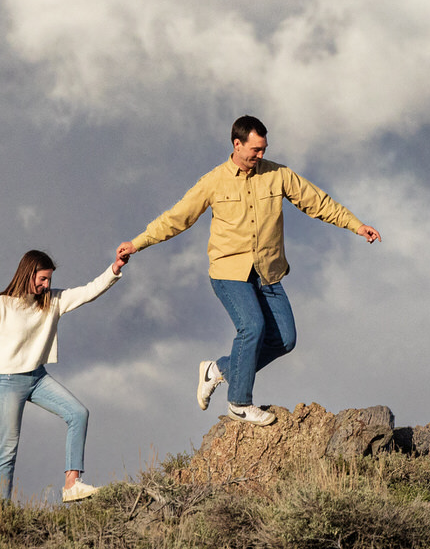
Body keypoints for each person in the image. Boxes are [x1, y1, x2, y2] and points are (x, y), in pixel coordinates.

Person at [115, 114, 379, 426]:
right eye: (255, 149)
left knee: (285, 339)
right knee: (252, 327)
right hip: (229, 272)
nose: (260, 154)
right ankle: (239, 403)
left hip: (267, 271)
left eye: (264, 148)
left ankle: (218, 369)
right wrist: (137, 243)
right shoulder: (214, 181)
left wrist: (356, 225)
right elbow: (177, 218)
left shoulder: (278, 174)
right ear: (237, 145)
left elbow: (318, 202)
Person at [0, 247, 123, 501]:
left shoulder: (52, 301)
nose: (46, 285)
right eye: (42, 278)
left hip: (38, 378)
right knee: (8, 450)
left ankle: (72, 484)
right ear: (27, 273)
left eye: (49, 280)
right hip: (8, 381)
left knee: (78, 413)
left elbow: (89, 291)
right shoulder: (0, 304)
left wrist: (115, 269)